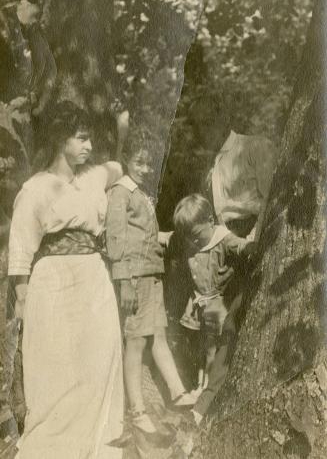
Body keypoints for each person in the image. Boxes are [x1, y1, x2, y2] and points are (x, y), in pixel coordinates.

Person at [7, 101, 124, 459]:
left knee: (101, 359)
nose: (89, 146)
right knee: (56, 369)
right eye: (82, 139)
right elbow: (21, 253)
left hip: (94, 278)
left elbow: (117, 166)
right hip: (52, 284)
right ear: (61, 140)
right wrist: (25, 304)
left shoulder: (93, 177)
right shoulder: (36, 189)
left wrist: (121, 127)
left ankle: (98, 449)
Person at [106, 131, 195, 446]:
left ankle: (179, 393)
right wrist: (125, 280)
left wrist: (172, 237)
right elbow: (116, 240)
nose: (144, 169)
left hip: (152, 274)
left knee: (158, 335)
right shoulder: (120, 193)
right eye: (138, 162)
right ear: (126, 160)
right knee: (136, 341)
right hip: (136, 277)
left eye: (149, 163)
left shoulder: (141, 194)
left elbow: (145, 236)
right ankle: (138, 410)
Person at [173, 194, 255, 396]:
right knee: (202, 345)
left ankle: (206, 387)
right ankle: (200, 382)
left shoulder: (222, 239)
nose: (193, 241)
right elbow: (171, 239)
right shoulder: (195, 241)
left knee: (211, 348)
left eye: (196, 235)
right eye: (188, 237)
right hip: (199, 302)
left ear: (210, 221)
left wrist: (250, 246)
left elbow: (239, 245)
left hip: (214, 304)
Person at [189, 93, 276, 240]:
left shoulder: (255, 147)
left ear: (224, 119)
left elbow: (271, 200)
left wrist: (251, 241)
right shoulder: (207, 170)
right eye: (197, 126)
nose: (202, 132)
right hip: (225, 245)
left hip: (255, 236)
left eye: (208, 122)